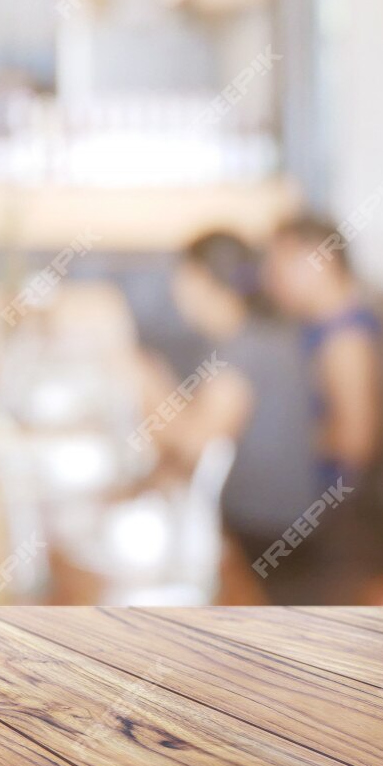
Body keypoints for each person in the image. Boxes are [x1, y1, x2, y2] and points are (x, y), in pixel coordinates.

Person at [138, 231, 316, 554]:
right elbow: (205, 412)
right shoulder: (251, 328)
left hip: (266, 534)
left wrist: (144, 376)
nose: (175, 291)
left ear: (201, 280)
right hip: (266, 517)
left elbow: (196, 445)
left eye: (180, 279)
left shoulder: (244, 349)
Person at [262, 214, 383, 487]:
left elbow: (356, 443)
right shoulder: (317, 322)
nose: (271, 279)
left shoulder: (346, 339)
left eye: (280, 266)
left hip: (320, 492)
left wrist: (277, 433)